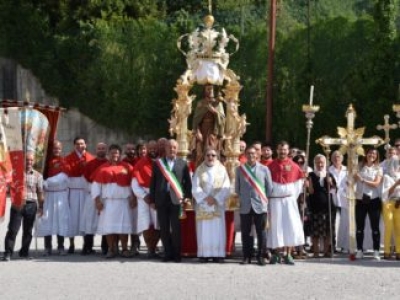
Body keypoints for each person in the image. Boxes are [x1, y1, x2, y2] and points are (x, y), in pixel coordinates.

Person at [149, 139, 192, 262]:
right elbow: (153, 183)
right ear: (165, 149)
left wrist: (187, 197)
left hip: (177, 200)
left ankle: (177, 254)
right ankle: (167, 254)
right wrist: (152, 200)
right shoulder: (158, 163)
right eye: (169, 147)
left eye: (174, 147)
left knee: (176, 228)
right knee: (164, 228)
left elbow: (187, 183)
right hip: (161, 200)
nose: (172, 149)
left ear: (177, 149)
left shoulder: (183, 164)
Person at [92, 144, 135, 258]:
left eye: (116, 153)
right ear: (108, 154)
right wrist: (97, 201)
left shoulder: (128, 167)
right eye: (112, 153)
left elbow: (133, 184)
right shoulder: (102, 168)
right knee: (109, 227)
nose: (114, 155)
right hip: (108, 203)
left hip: (124, 202)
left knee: (124, 227)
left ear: (120, 154)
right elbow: (96, 186)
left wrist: (133, 198)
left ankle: (125, 249)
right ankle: (111, 249)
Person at [267, 141, 305, 265]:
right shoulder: (270, 166)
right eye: (280, 149)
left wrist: (291, 197)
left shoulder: (294, 166)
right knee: (276, 227)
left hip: (289, 201)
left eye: (284, 149)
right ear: (276, 150)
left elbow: (299, 184)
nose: (282, 152)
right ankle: (276, 254)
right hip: (275, 201)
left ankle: (288, 254)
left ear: (288, 151)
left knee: (290, 226)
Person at [2, 152, 44, 261]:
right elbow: (8, 188)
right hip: (17, 204)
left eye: (31, 160)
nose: (29, 162)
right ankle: (8, 252)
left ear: (33, 161)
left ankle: (24, 252)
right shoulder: (15, 174)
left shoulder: (38, 175)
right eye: (27, 160)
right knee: (13, 229)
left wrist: (41, 206)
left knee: (28, 230)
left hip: (31, 204)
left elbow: (40, 192)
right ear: (23, 161)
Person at [235, 146, 273, 265]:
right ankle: (247, 256)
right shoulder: (240, 169)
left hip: (260, 205)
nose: (251, 156)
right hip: (245, 205)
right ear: (245, 155)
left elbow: (269, 188)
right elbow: (237, 188)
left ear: (257, 155)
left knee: (261, 232)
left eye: (253, 153)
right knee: (245, 232)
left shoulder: (264, 169)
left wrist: (262, 198)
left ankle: (261, 256)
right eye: (249, 154)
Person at [192, 148, 230, 263]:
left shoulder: (222, 169)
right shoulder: (199, 169)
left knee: (217, 229)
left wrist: (216, 198)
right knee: (204, 229)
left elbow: (226, 186)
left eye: (213, 155)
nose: (210, 157)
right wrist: (205, 197)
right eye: (208, 155)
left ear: (216, 157)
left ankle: (218, 254)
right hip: (204, 204)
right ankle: (204, 254)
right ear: (204, 157)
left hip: (217, 204)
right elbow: (195, 187)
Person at [36, 141, 70, 256]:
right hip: (48, 195)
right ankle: (47, 247)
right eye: (55, 148)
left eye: (58, 148)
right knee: (47, 220)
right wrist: (42, 183)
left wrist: (47, 182)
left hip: (60, 195)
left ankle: (60, 246)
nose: (57, 150)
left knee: (61, 220)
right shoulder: (45, 161)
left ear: (61, 149)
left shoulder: (64, 161)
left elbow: (63, 177)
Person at [64, 137, 94, 253]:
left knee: (85, 217)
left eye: (82, 144)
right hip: (73, 192)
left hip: (86, 192)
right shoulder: (68, 158)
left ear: (86, 144)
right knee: (72, 217)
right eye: (77, 144)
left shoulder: (91, 158)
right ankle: (71, 244)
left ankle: (86, 244)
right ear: (74, 145)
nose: (80, 146)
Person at [131, 140, 160, 258]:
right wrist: (144, 196)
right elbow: (134, 183)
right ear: (147, 149)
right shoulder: (140, 163)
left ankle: (155, 247)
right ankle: (149, 249)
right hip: (144, 197)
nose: (152, 150)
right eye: (150, 148)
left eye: (155, 148)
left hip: (158, 197)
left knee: (158, 223)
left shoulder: (162, 163)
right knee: (146, 224)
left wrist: (156, 197)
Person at [354, 148, 383, 260]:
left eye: (374, 154)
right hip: (361, 200)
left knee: (375, 227)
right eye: (370, 153)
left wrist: (362, 180)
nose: (372, 155)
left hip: (373, 200)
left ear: (377, 156)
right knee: (359, 227)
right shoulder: (359, 166)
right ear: (366, 154)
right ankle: (359, 250)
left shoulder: (378, 168)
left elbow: (376, 183)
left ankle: (376, 251)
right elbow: (353, 178)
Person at [81, 142, 108, 255]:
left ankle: (105, 247)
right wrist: (95, 192)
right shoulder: (89, 164)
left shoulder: (109, 164)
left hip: (105, 196)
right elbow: (85, 181)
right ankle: (87, 246)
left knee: (106, 221)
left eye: (103, 148)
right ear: (96, 150)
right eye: (99, 148)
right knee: (89, 221)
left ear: (105, 150)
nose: (101, 150)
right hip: (92, 196)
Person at [307, 154, 336, 258]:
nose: (320, 164)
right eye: (318, 162)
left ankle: (326, 251)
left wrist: (330, 182)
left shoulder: (329, 174)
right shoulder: (311, 175)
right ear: (315, 163)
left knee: (328, 230)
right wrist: (308, 183)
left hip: (328, 206)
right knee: (316, 230)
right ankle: (315, 251)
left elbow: (333, 190)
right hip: (315, 206)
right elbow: (310, 191)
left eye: (322, 162)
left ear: (325, 163)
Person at [192, 84, 225, 167]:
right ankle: (200, 169)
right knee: (200, 152)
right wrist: (198, 131)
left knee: (212, 149)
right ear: (204, 91)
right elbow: (196, 119)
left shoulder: (218, 103)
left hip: (214, 131)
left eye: (212, 89)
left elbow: (223, 119)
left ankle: (214, 168)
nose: (210, 91)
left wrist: (215, 112)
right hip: (202, 130)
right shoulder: (201, 103)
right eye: (208, 89)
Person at [328, 151, 348, 252]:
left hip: (344, 198)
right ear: (331, 159)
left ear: (342, 158)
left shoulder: (347, 170)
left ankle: (345, 245)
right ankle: (332, 244)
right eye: (334, 157)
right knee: (332, 222)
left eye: (339, 156)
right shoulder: (328, 170)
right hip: (332, 198)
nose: (337, 159)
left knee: (345, 222)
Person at [382, 155, 400, 260]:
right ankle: (386, 251)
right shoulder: (386, 177)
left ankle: (399, 251)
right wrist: (396, 184)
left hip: (398, 203)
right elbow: (386, 193)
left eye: (398, 164)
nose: (396, 166)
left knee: (399, 228)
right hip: (388, 203)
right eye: (395, 164)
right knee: (388, 228)